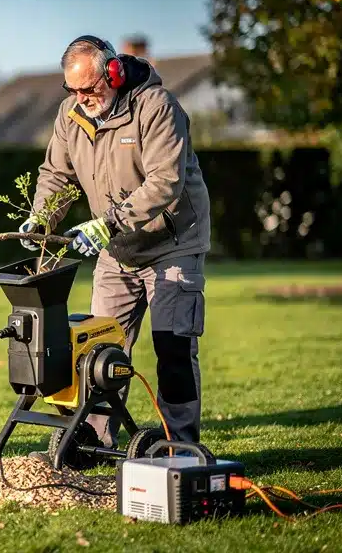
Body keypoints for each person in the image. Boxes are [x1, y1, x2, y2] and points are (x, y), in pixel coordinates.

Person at [19, 35, 212, 448]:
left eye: (88, 88)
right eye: (72, 90)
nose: (81, 98)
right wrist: (41, 217)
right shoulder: (71, 114)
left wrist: (109, 223)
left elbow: (166, 182)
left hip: (172, 243)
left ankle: (181, 447)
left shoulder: (156, 107)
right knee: (96, 352)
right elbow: (57, 174)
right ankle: (97, 444)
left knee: (173, 349)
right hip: (118, 251)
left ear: (113, 73)